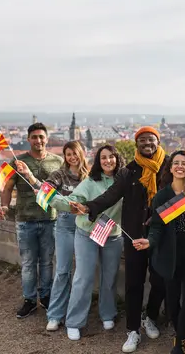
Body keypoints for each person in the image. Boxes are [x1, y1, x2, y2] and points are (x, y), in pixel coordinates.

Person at [72, 127, 168, 353]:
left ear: (158, 141)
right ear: (136, 144)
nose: (147, 143)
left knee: (160, 280)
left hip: (161, 235)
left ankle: (150, 317)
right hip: (134, 235)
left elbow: (180, 194)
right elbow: (110, 195)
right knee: (134, 283)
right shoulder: (129, 172)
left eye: (151, 139)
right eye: (142, 140)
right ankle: (132, 330)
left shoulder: (168, 166)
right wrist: (89, 207)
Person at [135, 150, 185, 354]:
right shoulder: (162, 196)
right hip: (170, 256)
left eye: (184, 163)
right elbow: (157, 227)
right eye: (176, 163)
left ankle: (181, 339)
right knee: (173, 300)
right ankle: (181, 335)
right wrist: (149, 242)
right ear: (170, 168)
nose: (180, 166)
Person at [53, 144, 125, 341]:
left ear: (117, 159)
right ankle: (74, 321)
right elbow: (73, 199)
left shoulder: (124, 181)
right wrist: (54, 200)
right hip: (86, 232)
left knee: (109, 277)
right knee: (83, 278)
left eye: (111, 157)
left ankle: (107, 313)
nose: (108, 161)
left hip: (113, 234)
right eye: (103, 158)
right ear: (98, 161)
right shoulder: (90, 181)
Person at [16, 141, 90, 331]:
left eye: (75, 153)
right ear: (64, 157)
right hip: (65, 224)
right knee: (62, 270)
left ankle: (75, 312)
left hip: (86, 226)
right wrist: (32, 179)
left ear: (82, 154)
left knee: (82, 273)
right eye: (68, 154)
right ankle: (55, 314)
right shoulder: (60, 174)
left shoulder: (90, 176)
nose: (72, 157)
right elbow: (46, 188)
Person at [0, 122, 63, 318]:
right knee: (27, 263)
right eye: (34, 137)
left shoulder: (57, 161)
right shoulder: (16, 162)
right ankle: (29, 300)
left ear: (47, 139)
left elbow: (62, 190)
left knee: (47, 262)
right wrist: (5, 206)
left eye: (41, 137)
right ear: (28, 139)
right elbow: (6, 188)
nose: (38, 140)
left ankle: (46, 296)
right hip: (25, 219)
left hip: (50, 218)